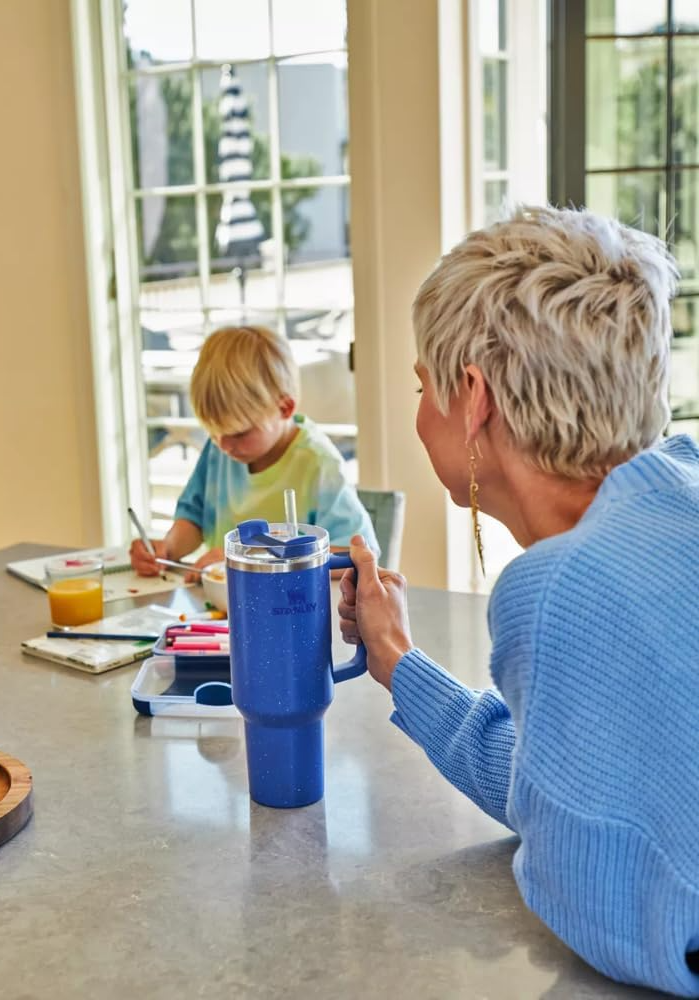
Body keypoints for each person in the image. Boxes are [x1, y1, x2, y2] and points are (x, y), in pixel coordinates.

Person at [337, 205, 699, 996]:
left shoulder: (560, 586)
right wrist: (396, 659)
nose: (420, 410)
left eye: (423, 386)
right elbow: (569, 787)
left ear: (474, 398)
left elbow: (586, 887)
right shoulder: (682, 490)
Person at [130, 324, 378, 577]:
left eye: (239, 434)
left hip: (289, 601)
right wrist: (167, 549)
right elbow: (194, 518)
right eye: (213, 432)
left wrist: (252, 558)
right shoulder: (221, 447)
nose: (223, 445)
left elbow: (355, 557)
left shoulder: (318, 464)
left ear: (284, 408)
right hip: (221, 598)